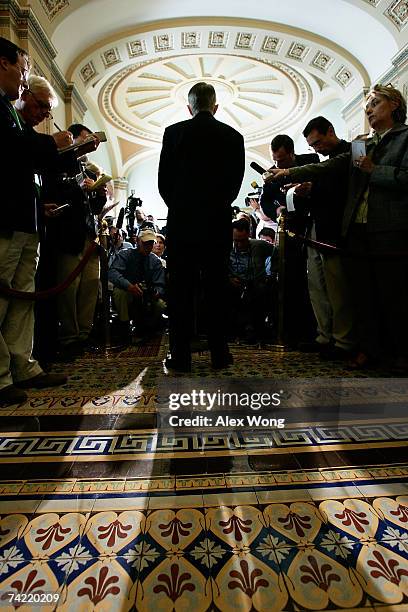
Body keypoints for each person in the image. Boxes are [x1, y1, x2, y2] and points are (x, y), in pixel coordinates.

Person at [266, 84, 408, 370]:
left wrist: (374, 171)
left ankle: (400, 353)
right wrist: (290, 173)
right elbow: (328, 167)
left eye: (375, 104)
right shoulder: (360, 145)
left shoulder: (405, 138)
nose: (368, 110)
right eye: (367, 106)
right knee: (363, 294)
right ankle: (369, 349)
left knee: (393, 293)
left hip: (390, 227)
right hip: (357, 227)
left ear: (394, 105)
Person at [0, 38, 70, 404]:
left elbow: (24, 162)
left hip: (25, 220)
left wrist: (64, 149)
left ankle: (22, 366)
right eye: (23, 70)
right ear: (2, 63)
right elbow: (11, 152)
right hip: (5, 219)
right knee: (2, 297)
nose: (24, 81)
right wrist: (54, 144)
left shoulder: (8, 109)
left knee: (22, 298)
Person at [158, 81, 245, 371]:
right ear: (215, 106)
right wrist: (216, 206)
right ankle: (220, 354)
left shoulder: (174, 133)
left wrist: (182, 207)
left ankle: (180, 357)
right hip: (217, 223)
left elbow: (163, 183)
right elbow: (234, 185)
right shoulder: (233, 136)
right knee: (216, 290)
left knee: (180, 291)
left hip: (182, 223)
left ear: (189, 107)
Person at [299, 116, 355, 359]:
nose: (316, 149)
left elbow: (347, 190)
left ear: (330, 131)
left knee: (338, 290)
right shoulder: (328, 160)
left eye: (318, 142)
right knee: (318, 288)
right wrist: (311, 189)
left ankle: (343, 341)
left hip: (337, 231)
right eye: (312, 146)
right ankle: (324, 335)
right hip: (317, 228)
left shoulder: (354, 150)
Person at [260, 134, 319, 347]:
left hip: (311, 227)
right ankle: (291, 330)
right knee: (290, 279)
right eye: (275, 160)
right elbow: (265, 201)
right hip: (288, 232)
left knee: (313, 281)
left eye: (282, 161)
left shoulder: (310, 163)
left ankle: (312, 331)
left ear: (292, 154)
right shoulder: (271, 174)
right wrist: (276, 210)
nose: (278, 165)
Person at [108, 228, 166, 342]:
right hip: (128, 291)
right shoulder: (125, 254)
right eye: (145, 243)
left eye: (150, 243)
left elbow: (160, 284)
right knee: (120, 293)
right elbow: (112, 273)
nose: (148, 246)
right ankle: (124, 326)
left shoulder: (155, 261)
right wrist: (129, 286)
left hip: (147, 295)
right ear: (138, 241)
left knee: (160, 305)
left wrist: (157, 292)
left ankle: (149, 328)